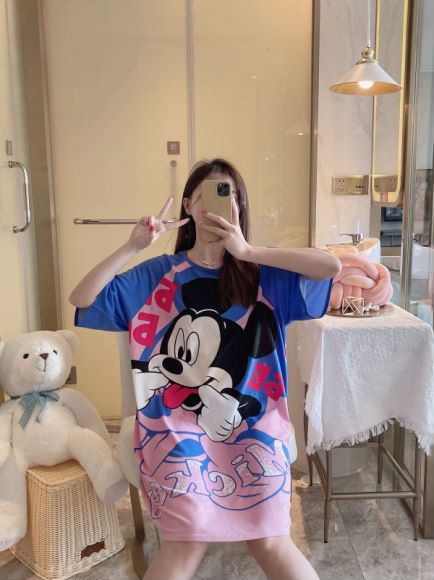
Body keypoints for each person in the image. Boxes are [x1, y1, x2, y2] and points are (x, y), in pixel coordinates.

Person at [70, 158, 341, 580]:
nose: (217, 205)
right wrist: (132, 247)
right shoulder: (158, 275)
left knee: (270, 541)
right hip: (176, 433)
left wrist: (248, 252)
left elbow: (332, 267)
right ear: (188, 206)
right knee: (185, 542)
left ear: (239, 207)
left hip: (255, 430)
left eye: (227, 195)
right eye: (206, 195)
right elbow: (82, 298)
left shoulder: (264, 275)